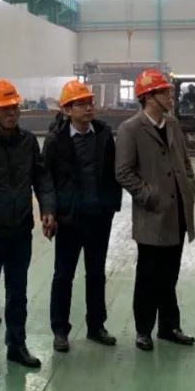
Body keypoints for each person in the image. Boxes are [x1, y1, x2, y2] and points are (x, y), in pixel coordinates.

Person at [0, 78, 56, 376]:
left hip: (20, 230)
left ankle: (16, 346)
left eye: (14, 107)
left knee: (18, 293)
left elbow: (41, 177)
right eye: (5, 108)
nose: (12, 113)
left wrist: (48, 208)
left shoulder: (28, 141)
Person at [115, 68, 195, 351]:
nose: (170, 97)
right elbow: (123, 172)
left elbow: (185, 161)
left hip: (178, 213)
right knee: (148, 275)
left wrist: (190, 186)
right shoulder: (130, 130)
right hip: (152, 215)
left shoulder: (172, 124)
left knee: (170, 274)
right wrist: (149, 196)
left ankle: (169, 327)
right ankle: (143, 329)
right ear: (148, 96)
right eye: (165, 92)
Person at [43, 80, 122, 353]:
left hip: (99, 217)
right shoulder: (56, 141)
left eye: (90, 103)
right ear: (67, 110)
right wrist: (50, 212)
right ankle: (60, 330)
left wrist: (111, 206)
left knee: (96, 274)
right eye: (81, 104)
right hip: (69, 220)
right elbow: (46, 179)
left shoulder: (104, 135)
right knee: (63, 276)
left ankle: (96, 326)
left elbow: (112, 172)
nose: (88, 108)